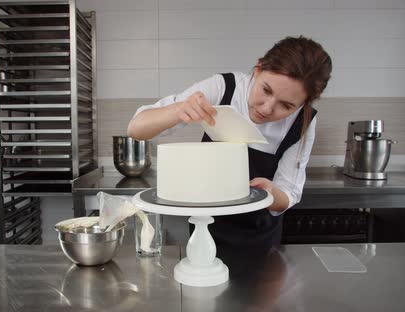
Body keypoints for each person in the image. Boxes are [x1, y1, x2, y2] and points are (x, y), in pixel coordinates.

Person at [127, 36, 332, 250]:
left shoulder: (304, 121)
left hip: (259, 237)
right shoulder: (224, 88)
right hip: (204, 227)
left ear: (303, 104)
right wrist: (179, 110)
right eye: (266, 90)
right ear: (258, 68)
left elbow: (290, 192)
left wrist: (271, 192)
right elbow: (136, 128)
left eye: (287, 105)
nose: (267, 108)